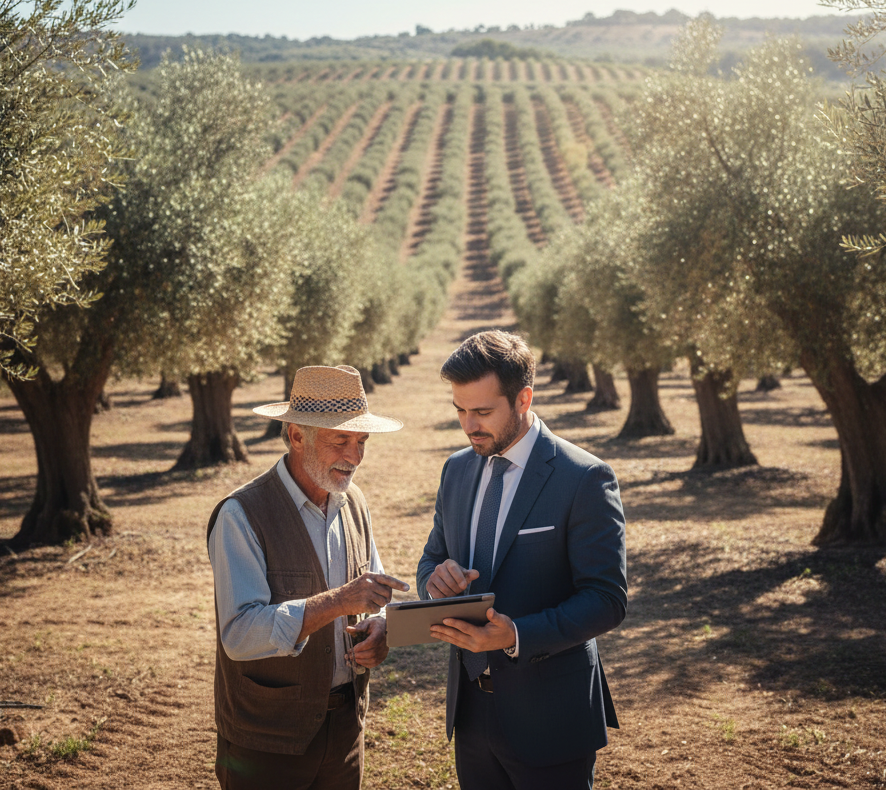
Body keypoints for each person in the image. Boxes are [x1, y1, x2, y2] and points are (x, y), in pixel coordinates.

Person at [416, 330, 627, 790]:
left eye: (483, 412)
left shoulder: (585, 477)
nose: (469, 425)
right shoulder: (455, 469)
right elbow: (432, 558)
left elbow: (607, 599)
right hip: (469, 715)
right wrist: (436, 580)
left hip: (551, 720)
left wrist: (514, 635)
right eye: (460, 411)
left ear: (523, 398)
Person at [208, 364, 409, 790]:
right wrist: (336, 603)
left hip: (345, 735)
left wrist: (380, 628)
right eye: (340, 441)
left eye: (361, 442)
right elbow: (240, 634)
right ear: (297, 435)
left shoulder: (354, 502)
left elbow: (375, 593)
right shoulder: (240, 515)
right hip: (266, 744)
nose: (354, 456)